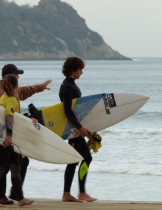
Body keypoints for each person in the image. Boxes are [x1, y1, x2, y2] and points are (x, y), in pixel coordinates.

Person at [0, 64, 52, 205]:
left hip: (13, 134)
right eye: (16, 75)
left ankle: (17, 195)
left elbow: (25, 91)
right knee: (2, 167)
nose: (18, 77)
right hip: (2, 137)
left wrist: (40, 87)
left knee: (18, 163)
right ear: (8, 77)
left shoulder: (13, 90)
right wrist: (1, 137)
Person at [0, 74, 34, 207]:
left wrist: (30, 121)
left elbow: (15, 118)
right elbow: (9, 118)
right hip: (5, 138)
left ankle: (20, 198)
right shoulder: (10, 99)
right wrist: (9, 136)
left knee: (16, 166)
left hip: (7, 137)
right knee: (0, 167)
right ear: (16, 86)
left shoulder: (4, 97)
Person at [59, 57, 97, 202]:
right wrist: (79, 128)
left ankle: (68, 193)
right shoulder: (68, 86)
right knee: (86, 157)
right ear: (73, 70)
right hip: (73, 130)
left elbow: (76, 110)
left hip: (74, 128)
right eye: (80, 69)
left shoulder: (69, 84)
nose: (82, 72)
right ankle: (80, 192)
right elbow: (67, 111)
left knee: (74, 159)